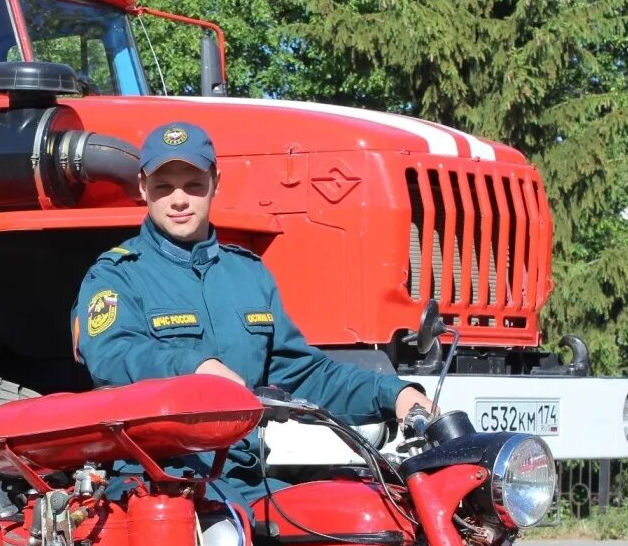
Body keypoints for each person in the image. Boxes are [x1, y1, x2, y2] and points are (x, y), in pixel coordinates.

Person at [72, 120, 434, 505]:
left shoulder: (247, 273)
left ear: (215, 182)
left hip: (243, 474)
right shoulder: (116, 275)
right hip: (158, 482)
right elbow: (111, 355)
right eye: (164, 187)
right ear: (143, 189)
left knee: (365, 519)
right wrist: (195, 369)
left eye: (193, 184)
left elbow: (304, 372)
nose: (179, 200)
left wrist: (395, 395)